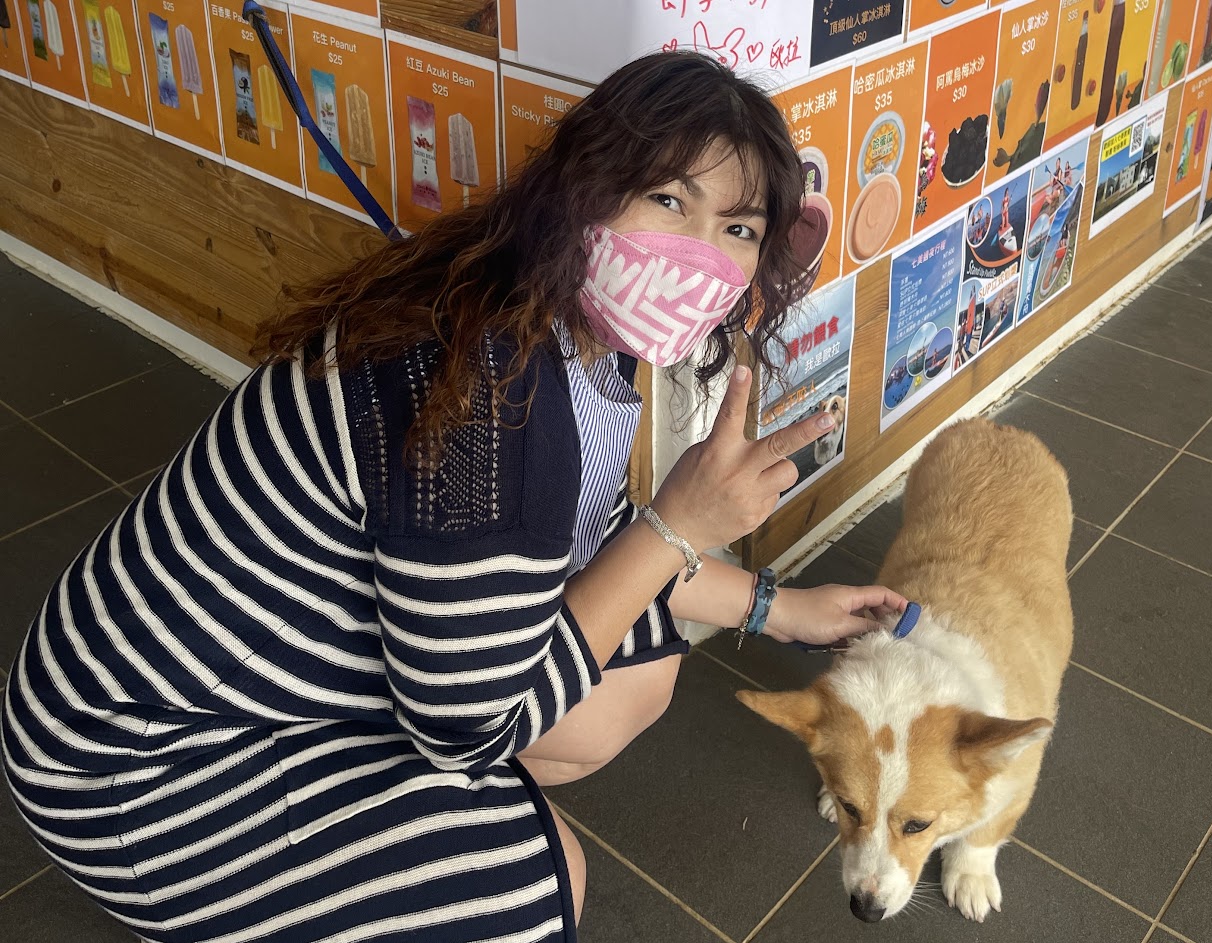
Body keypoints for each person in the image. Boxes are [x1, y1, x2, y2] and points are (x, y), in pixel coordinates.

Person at [1, 51, 906, 943]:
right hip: (132, 767)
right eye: (668, 200)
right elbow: (470, 732)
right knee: (537, 887)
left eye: (738, 228)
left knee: (638, 667)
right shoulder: (487, 396)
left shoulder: (553, 320)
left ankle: (372, 843)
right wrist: (680, 523)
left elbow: (595, 555)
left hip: (226, 685)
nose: (698, 254)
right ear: (584, 190)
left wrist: (779, 606)